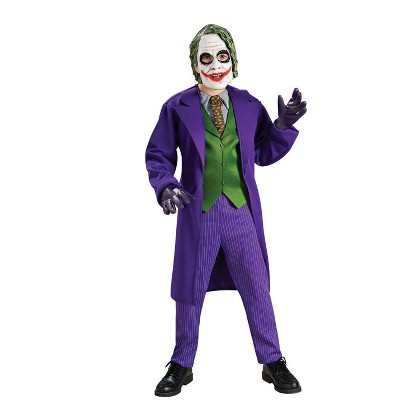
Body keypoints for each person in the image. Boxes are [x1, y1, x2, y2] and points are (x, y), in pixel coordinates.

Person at [145, 24, 307, 397]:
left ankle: (273, 360)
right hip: (197, 211)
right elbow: (159, 153)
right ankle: (181, 363)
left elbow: (262, 152)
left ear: (233, 59)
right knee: (190, 289)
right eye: (206, 58)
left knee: (256, 286)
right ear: (194, 64)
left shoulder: (249, 105)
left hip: (240, 212)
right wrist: (166, 184)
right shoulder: (177, 107)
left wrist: (282, 127)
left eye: (222, 56)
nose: (216, 65)